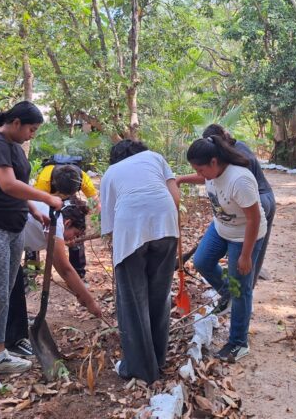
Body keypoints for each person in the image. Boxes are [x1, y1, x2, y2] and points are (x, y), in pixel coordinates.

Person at [0, 101, 63, 396]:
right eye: (31, 128)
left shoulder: (16, 149)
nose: (32, 134)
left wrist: (34, 209)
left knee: (4, 296)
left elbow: (19, 186)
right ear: (16, 123)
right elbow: (6, 184)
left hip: (11, 229)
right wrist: (48, 198)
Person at [0, 168, 102, 359]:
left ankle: (7, 335)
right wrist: (90, 301)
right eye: (74, 235)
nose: (72, 241)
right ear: (67, 224)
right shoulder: (56, 221)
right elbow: (65, 269)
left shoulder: (55, 218)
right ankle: (11, 341)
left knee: (11, 283)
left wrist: (80, 294)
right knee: (10, 287)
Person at [100, 139, 180, 384]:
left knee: (133, 303)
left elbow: (109, 220)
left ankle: (139, 369)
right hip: (166, 226)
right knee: (160, 295)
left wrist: (115, 244)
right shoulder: (155, 157)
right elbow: (174, 195)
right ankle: (158, 358)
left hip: (130, 233)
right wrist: (166, 224)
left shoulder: (111, 173)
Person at [186, 135, 266, 363]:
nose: (199, 174)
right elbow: (205, 180)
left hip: (244, 235)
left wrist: (245, 255)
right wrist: (181, 179)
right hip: (221, 228)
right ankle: (227, 294)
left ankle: (238, 342)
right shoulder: (212, 173)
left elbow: (254, 219)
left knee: (240, 287)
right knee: (201, 261)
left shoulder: (239, 180)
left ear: (214, 161)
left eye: (200, 169)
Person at [177, 124, 276, 284]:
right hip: (243, 207)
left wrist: (244, 256)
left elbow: (251, 215)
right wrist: (182, 179)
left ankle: (245, 285)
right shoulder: (219, 164)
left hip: (261, 199)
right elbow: (211, 177)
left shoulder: (238, 169)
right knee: (214, 257)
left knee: (243, 266)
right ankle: (234, 289)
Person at [34, 158, 98, 280]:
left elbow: (95, 200)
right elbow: (35, 205)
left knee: (76, 231)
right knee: (38, 228)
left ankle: (77, 272)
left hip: (71, 203)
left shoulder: (82, 177)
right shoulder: (44, 180)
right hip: (47, 199)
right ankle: (32, 269)